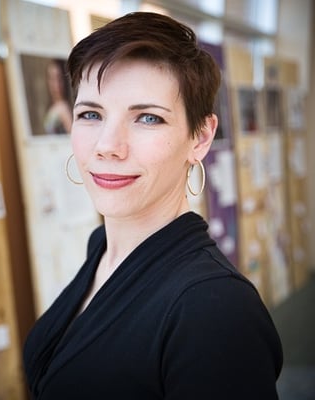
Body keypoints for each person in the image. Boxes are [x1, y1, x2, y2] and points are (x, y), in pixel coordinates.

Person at [23, 12, 282, 399]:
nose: (108, 145)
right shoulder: (102, 248)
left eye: (147, 118)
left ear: (200, 137)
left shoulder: (215, 311)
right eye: (91, 114)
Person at [43, 59, 72, 134]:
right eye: (52, 79)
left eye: (59, 79)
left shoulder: (63, 107)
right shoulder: (53, 105)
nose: (56, 85)